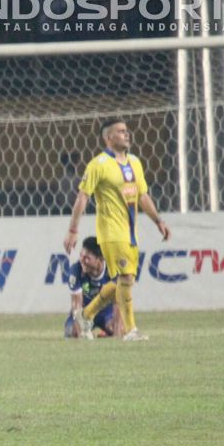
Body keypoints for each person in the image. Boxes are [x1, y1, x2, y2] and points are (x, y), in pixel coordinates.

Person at [64, 119, 170, 342]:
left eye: (127, 131)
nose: (126, 134)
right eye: (121, 131)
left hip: (131, 233)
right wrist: (73, 230)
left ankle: (85, 315)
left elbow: (142, 196)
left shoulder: (135, 163)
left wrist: (158, 221)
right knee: (125, 278)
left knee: (124, 281)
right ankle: (131, 331)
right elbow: (83, 196)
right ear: (108, 137)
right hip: (111, 232)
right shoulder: (98, 164)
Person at [65, 236, 118, 339]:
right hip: (84, 312)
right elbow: (76, 305)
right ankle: (93, 332)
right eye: (81, 256)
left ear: (100, 259)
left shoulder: (112, 270)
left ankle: (101, 333)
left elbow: (118, 303)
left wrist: (118, 332)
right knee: (73, 332)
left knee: (118, 329)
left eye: (87, 258)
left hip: (106, 312)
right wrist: (81, 332)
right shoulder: (76, 270)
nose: (82, 260)